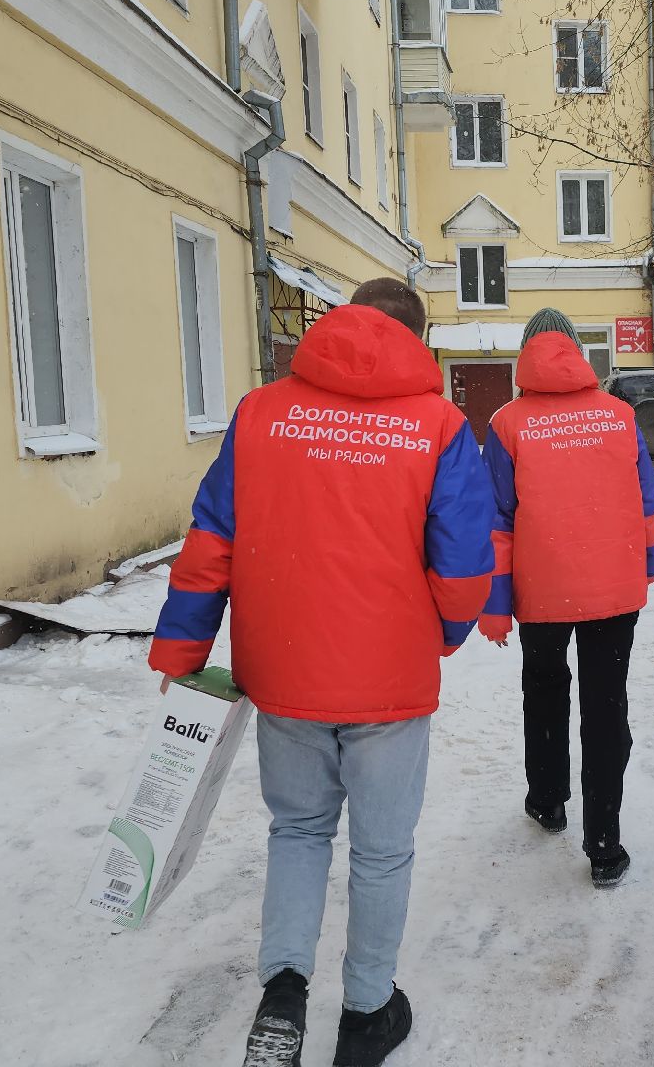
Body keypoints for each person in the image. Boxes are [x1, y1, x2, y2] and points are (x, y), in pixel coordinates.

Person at [149, 278, 494, 1067]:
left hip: (288, 675)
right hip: (388, 684)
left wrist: (183, 647)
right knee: (381, 850)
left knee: (298, 832)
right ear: (415, 339)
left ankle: (283, 990)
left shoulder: (261, 414)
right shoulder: (439, 427)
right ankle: (368, 1011)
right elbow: (466, 564)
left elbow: (212, 538)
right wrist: (438, 632)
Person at [478, 309, 654, 887]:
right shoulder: (619, 415)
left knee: (546, 694)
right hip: (613, 588)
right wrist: (648, 563)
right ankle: (605, 845)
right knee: (607, 709)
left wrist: (494, 600)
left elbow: (498, 521)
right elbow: (647, 501)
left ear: (527, 353)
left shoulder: (507, 423)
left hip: (542, 592)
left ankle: (549, 799)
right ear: (577, 349)